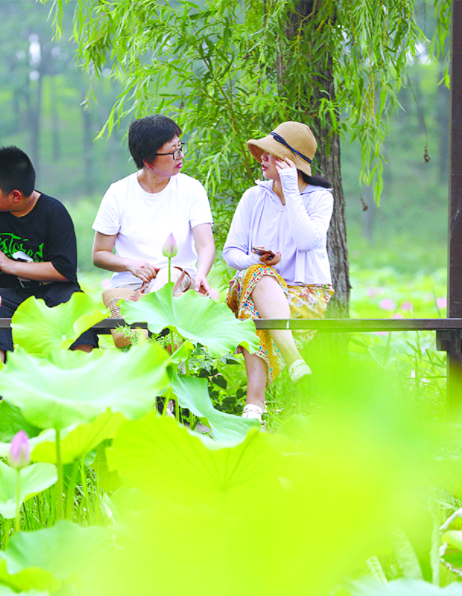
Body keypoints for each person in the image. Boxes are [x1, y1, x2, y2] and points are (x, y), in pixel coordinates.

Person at [0, 146, 99, 423]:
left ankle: (81, 388)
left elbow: (63, 269)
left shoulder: (54, 213)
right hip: (10, 292)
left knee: (77, 311)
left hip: (54, 290)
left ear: (15, 196)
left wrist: (11, 266)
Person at [222, 121, 335, 422]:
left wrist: (290, 191)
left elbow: (307, 240)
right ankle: (294, 359)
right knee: (256, 278)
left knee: (255, 309)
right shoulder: (253, 197)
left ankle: (254, 405)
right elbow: (230, 253)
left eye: (270, 154)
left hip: (305, 294)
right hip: (254, 288)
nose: (262, 158)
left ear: (289, 163)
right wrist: (259, 263)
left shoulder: (320, 198)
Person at [91, 115, 216, 348]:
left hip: (179, 280)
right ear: (148, 161)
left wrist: (201, 274)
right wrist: (131, 265)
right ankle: (145, 322)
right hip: (132, 286)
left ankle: (140, 318)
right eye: (173, 152)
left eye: (180, 148)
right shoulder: (118, 193)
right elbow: (99, 254)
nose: (181, 157)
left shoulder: (191, 189)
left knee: (166, 277)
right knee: (166, 336)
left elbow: (206, 245)